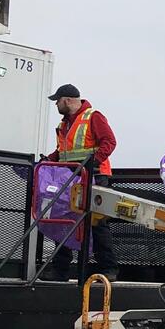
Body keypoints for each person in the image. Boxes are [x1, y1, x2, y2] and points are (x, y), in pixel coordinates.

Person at [41, 84, 119, 281]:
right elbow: (62, 152)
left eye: (57, 101)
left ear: (67, 100)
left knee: (97, 224)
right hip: (72, 178)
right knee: (64, 221)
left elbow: (109, 142)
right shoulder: (64, 124)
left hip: (94, 176)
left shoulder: (93, 117)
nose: (56, 105)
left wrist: (91, 164)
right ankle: (60, 271)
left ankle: (108, 270)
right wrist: (48, 160)